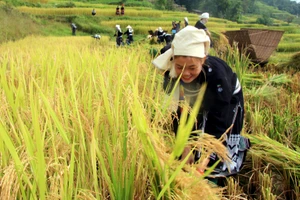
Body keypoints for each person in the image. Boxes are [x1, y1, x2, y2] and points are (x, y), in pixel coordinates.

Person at [152, 26, 250, 184]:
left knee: (215, 153)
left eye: (192, 68)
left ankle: (217, 175)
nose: (185, 73)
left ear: (203, 60)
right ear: (173, 61)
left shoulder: (217, 77)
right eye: (180, 67)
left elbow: (219, 124)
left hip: (225, 99)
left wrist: (203, 165)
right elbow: (178, 114)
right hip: (194, 97)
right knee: (191, 134)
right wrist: (184, 146)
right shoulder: (171, 76)